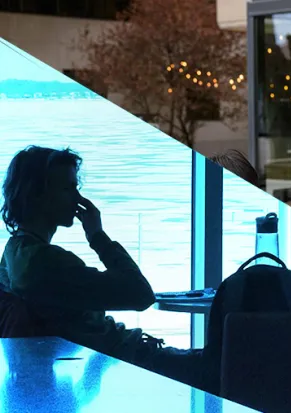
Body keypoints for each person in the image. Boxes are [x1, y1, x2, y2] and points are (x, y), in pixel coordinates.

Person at [0, 146, 207, 391]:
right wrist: (98, 237)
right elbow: (140, 294)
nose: (78, 199)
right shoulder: (43, 264)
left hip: (109, 362)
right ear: (36, 195)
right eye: (67, 189)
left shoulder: (15, 255)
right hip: (132, 363)